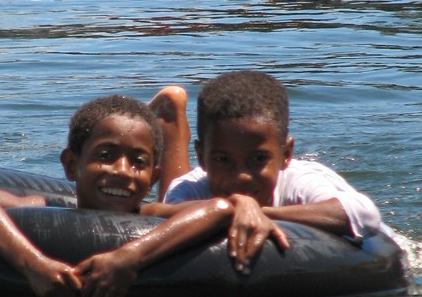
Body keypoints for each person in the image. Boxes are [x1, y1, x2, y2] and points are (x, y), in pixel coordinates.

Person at [0, 94, 267, 297]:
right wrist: (32, 264)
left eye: (138, 162)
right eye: (105, 155)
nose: (121, 171)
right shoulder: (43, 204)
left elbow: (220, 210)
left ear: (153, 176)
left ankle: (171, 121)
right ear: (71, 165)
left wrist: (129, 258)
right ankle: (170, 117)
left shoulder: (149, 213)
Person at [150, 71, 384, 273]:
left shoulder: (300, 183)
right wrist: (237, 209)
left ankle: (170, 122)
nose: (241, 176)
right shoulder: (188, 187)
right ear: (201, 157)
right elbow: (164, 218)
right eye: (222, 159)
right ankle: (170, 123)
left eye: (258, 159)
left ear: (286, 154)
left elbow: (367, 215)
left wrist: (259, 212)